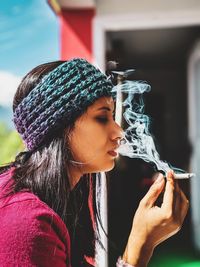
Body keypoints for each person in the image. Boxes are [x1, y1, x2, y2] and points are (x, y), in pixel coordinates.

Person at [0, 58, 189, 267]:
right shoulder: (24, 224)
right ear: (60, 128)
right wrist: (140, 245)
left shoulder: (63, 199)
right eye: (102, 117)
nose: (119, 132)